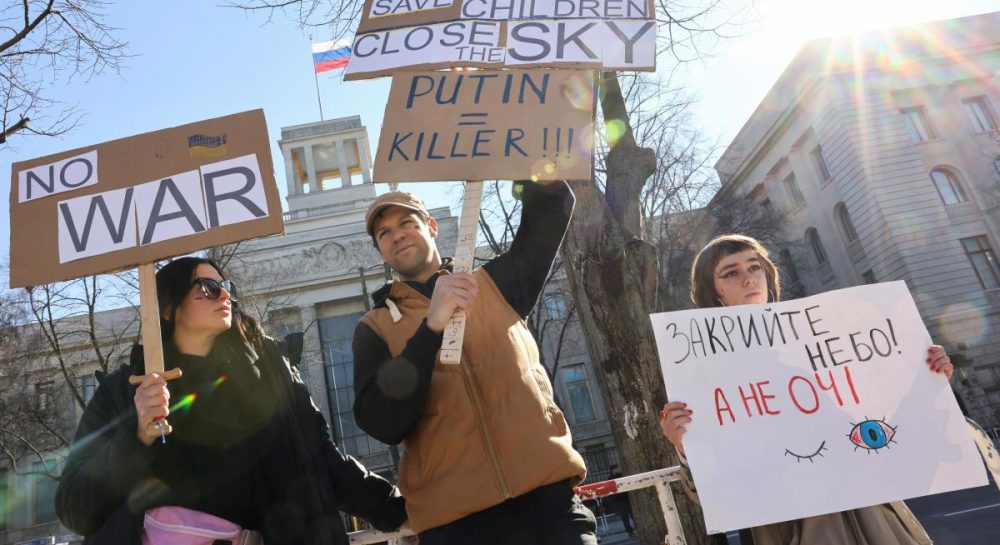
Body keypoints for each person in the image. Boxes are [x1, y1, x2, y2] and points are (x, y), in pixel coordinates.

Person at [56, 257, 406, 545]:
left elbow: (319, 457)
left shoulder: (269, 370)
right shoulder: (124, 391)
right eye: (208, 287)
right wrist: (136, 437)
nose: (224, 295)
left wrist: (394, 509)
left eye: (228, 288)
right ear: (168, 307)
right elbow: (75, 509)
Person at [658, 234, 951, 545]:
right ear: (713, 292)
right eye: (731, 273)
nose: (748, 279)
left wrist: (927, 381)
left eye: (754, 267)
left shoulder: (816, 344)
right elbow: (714, 490)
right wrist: (685, 448)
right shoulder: (705, 374)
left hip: (870, 520)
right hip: (788, 530)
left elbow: (874, 428)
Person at [352, 182, 595, 545]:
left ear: (432, 227)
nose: (397, 235)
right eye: (384, 233)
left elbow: (553, 205)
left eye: (407, 223)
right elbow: (382, 422)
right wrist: (431, 328)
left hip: (548, 507)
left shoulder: (494, 285)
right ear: (381, 252)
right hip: (456, 526)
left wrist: (519, 168)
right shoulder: (374, 328)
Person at [606, 464, 636, 536]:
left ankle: (635, 528)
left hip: (626, 498)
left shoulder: (621, 476)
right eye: (616, 469)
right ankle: (629, 531)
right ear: (612, 470)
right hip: (619, 501)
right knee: (625, 517)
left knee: (633, 515)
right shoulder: (610, 478)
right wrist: (615, 501)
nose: (617, 470)